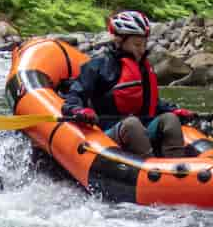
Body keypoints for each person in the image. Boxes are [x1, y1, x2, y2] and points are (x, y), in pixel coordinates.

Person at [61, 10, 196, 159]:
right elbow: (74, 96)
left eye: (144, 44)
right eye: (137, 44)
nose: (142, 49)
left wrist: (174, 110)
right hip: (107, 133)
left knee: (170, 119)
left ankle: (176, 165)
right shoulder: (97, 66)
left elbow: (151, 103)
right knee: (132, 124)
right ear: (119, 41)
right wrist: (78, 110)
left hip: (142, 128)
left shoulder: (143, 68)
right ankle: (151, 169)